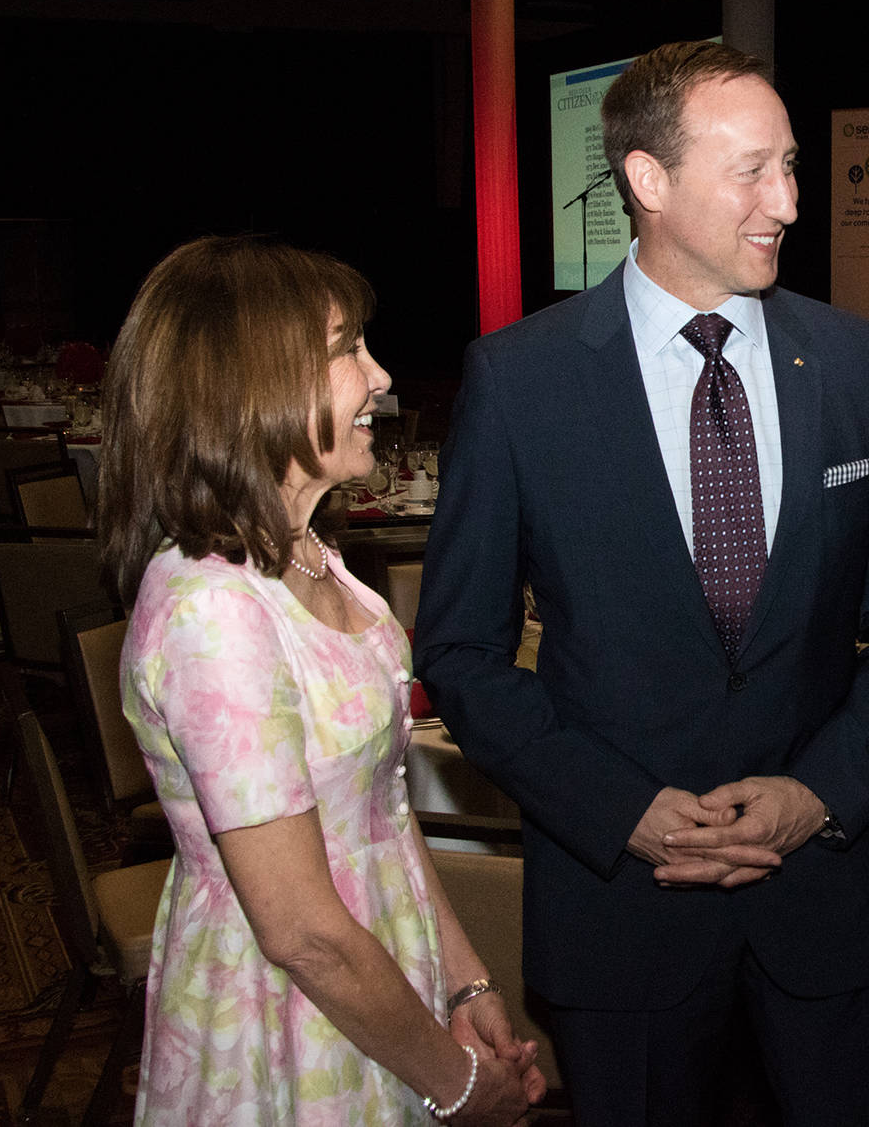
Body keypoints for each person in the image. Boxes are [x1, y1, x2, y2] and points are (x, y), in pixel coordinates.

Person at [415, 40, 869, 1126]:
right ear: (648, 183)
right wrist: (622, 812)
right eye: (753, 170)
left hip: (823, 897)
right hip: (625, 905)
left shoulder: (854, 362)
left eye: (792, 166)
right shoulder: (520, 380)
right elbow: (461, 654)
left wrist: (819, 793)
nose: (791, 202)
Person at [96, 236, 546, 1125]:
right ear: (251, 384)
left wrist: (463, 978)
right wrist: (458, 1085)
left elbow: (384, 809)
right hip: (288, 1018)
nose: (379, 377)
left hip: (380, 979)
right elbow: (300, 928)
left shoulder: (311, 557)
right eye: (348, 350)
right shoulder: (211, 610)